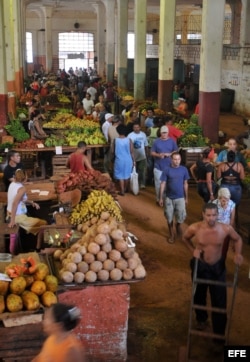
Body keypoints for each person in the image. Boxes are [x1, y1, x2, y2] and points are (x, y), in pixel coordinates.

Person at [182, 203, 243, 338]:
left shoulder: (225, 229)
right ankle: (201, 319)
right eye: (208, 215)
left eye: (214, 215)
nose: (211, 218)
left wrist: (238, 254)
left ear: (218, 215)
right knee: (198, 294)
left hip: (217, 267)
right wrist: (193, 251)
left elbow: (238, 239)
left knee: (219, 300)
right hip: (200, 265)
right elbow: (185, 238)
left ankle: (219, 334)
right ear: (203, 214)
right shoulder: (195, 228)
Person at [7, 169, 47, 252]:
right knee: (44, 224)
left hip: (11, 214)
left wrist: (32, 202)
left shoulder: (12, 184)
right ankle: (38, 248)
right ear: (25, 178)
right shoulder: (22, 189)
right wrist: (12, 221)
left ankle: (29, 232)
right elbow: (15, 203)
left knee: (33, 221)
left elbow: (20, 198)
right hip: (18, 217)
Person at [159, 152, 189, 243]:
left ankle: (178, 225)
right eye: (175, 159)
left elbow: (185, 184)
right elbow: (163, 183)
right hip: (169, 198)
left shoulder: (184, 170)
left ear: (180, 160)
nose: (177, 161)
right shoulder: (166, 170)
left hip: (180, 197)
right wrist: (160, 198)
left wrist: (186, 197)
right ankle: (171, 233)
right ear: (171, 160)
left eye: (178, 159)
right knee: (169, 217)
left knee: (181, 216)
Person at [151, 125, 178, 204]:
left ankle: (166, 199)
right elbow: (152, 152)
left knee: (169, 184)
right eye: (162, 133)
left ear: (168, 133)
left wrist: (169, 154)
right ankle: (159, 198)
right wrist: (159, 155)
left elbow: (176, 151)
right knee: (158, 185)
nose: (164, 134)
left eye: (165, 133)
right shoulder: (156, 141)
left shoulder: (172, 141)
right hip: (158, 167)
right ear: (160, 133)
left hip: (169, 167)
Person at [213, 188, 236, 259]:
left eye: (228, 198)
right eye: (224, 199)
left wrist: (230, 230)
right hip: (216, 228)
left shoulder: (231, 204)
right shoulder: (214, 203)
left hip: (226, 228)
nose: (226, 200)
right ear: (219, 198)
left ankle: (221, 262)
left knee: (224, 249)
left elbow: (232, 219)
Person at [111, 124, 134, 196]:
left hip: (119, 160)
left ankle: (122, 191)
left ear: (118, 131)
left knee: (120, 175)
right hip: (128, 160)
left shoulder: (115, 140)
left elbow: (112, 151)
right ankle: (126, 188)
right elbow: (131, 151)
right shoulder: (129, 140)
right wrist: (134, 161)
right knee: (127, 174)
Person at [128, 122, 148, 189]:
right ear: (133, 128)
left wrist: (146, 154)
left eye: (137, 127)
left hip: (142, 156)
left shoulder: (143, 134)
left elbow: (146, 145)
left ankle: (142, 183)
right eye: (135, 127)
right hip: (133, 157)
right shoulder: (130, 135)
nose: (136, 129)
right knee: (133, 171)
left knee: (142, 171)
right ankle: (134, 184)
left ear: (140, 127)